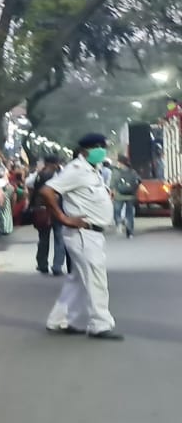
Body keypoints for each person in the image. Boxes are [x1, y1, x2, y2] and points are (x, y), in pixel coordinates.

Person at [40, 134, 124, 340]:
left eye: (103, 147)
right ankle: (100, 324)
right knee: (96, 279)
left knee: (77, 281)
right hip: (83, 233)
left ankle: (62, 319)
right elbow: (47, 191)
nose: (101, 150)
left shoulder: (91, 170)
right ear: (85, 150)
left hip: (91, 233)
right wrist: (63, 218)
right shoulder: (75, 170)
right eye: (97, 147)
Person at [29, 155, 67, 276]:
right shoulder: (60, 175)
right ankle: (57, 266)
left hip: (42, 210)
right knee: (59, 238)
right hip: (57, 209)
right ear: (53, 164)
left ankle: (42, 264)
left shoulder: (39, 175)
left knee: (43, 238)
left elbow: (29, 185)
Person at [110, 155, 141, 238]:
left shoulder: (116, 171)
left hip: (119, 196)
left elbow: (112, 183)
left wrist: (112, 192)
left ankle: (119, 222)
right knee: (129, 214)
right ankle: (130, 232)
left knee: (117, 211)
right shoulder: (132, 171)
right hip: (130, 196)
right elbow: (138, 181)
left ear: (120, 162)